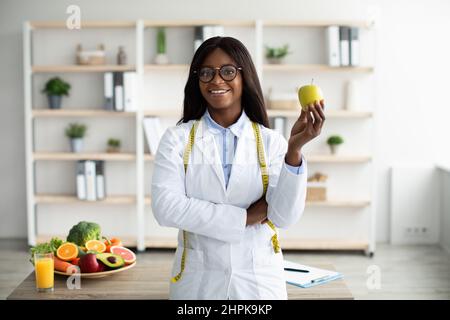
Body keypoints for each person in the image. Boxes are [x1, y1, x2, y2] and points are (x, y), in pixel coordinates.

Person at [151, 36, 325, 299]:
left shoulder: (272, 142)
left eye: (228, 71)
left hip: (258, 282)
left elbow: (284, 216)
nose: (217, 80)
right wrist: (245, 218)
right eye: (207, 73)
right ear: (197, 81)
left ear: (245, 77)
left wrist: (294, 151)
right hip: (199, 283)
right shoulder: (176, 139)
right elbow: (166, 208)